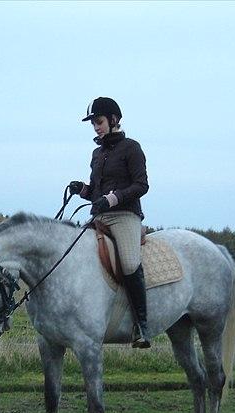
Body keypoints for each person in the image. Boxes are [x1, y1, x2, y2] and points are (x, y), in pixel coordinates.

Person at [70, 97, 151, 348]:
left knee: (128, 262)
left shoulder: (132, 148)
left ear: (114, 120)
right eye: (93, 123)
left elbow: (142, 185)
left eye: (99, 121)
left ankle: (142, 325)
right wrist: (82, 189)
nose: (96, 127)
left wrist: (113, 199)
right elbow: (96, 191)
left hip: (125, 216)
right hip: (99, 217)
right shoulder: (97, 153)